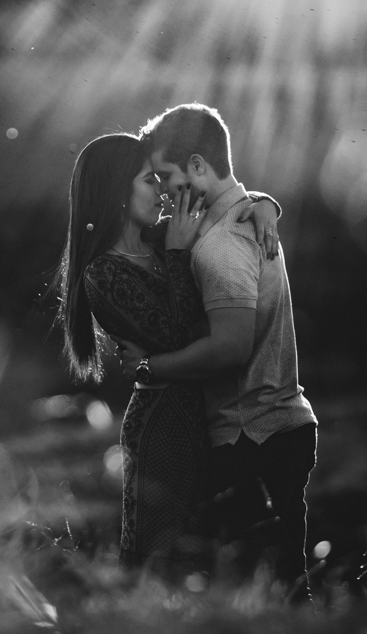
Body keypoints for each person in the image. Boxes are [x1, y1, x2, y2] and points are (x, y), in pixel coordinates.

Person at [54, 133, 279, 580]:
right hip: (163, 430)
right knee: (164, 566)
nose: (161, 191)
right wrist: (179, 254)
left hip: (217, 417)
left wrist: (267, 205)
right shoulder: (104, 273)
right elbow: (181, 337)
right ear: (116, 190)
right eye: (147, 180)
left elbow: (229, 200)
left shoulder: (162, 240)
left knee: (241, 553)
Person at [116, 103, 318, 601]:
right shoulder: (244, 217)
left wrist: (150, 365)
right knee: (281, 589)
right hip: (277, 428)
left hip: (251, 439)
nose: (162, 188)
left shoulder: (223, 241)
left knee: (267, 596)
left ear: (200, 167)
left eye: (166, 174)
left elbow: (230, 347)